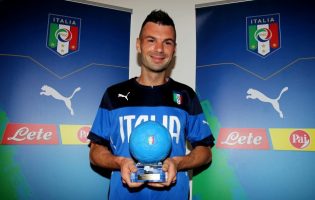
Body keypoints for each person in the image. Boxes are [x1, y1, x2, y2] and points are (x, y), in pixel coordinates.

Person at [88, 9, 215, 200]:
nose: (159, 49)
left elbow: (205, 152)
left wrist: (178, 163)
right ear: (139, 44)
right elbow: (95, 152)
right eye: (151, 40)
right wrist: (120, 162)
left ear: (174, 49)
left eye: (167, 42)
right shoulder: (113, 95)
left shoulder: (186, 95)